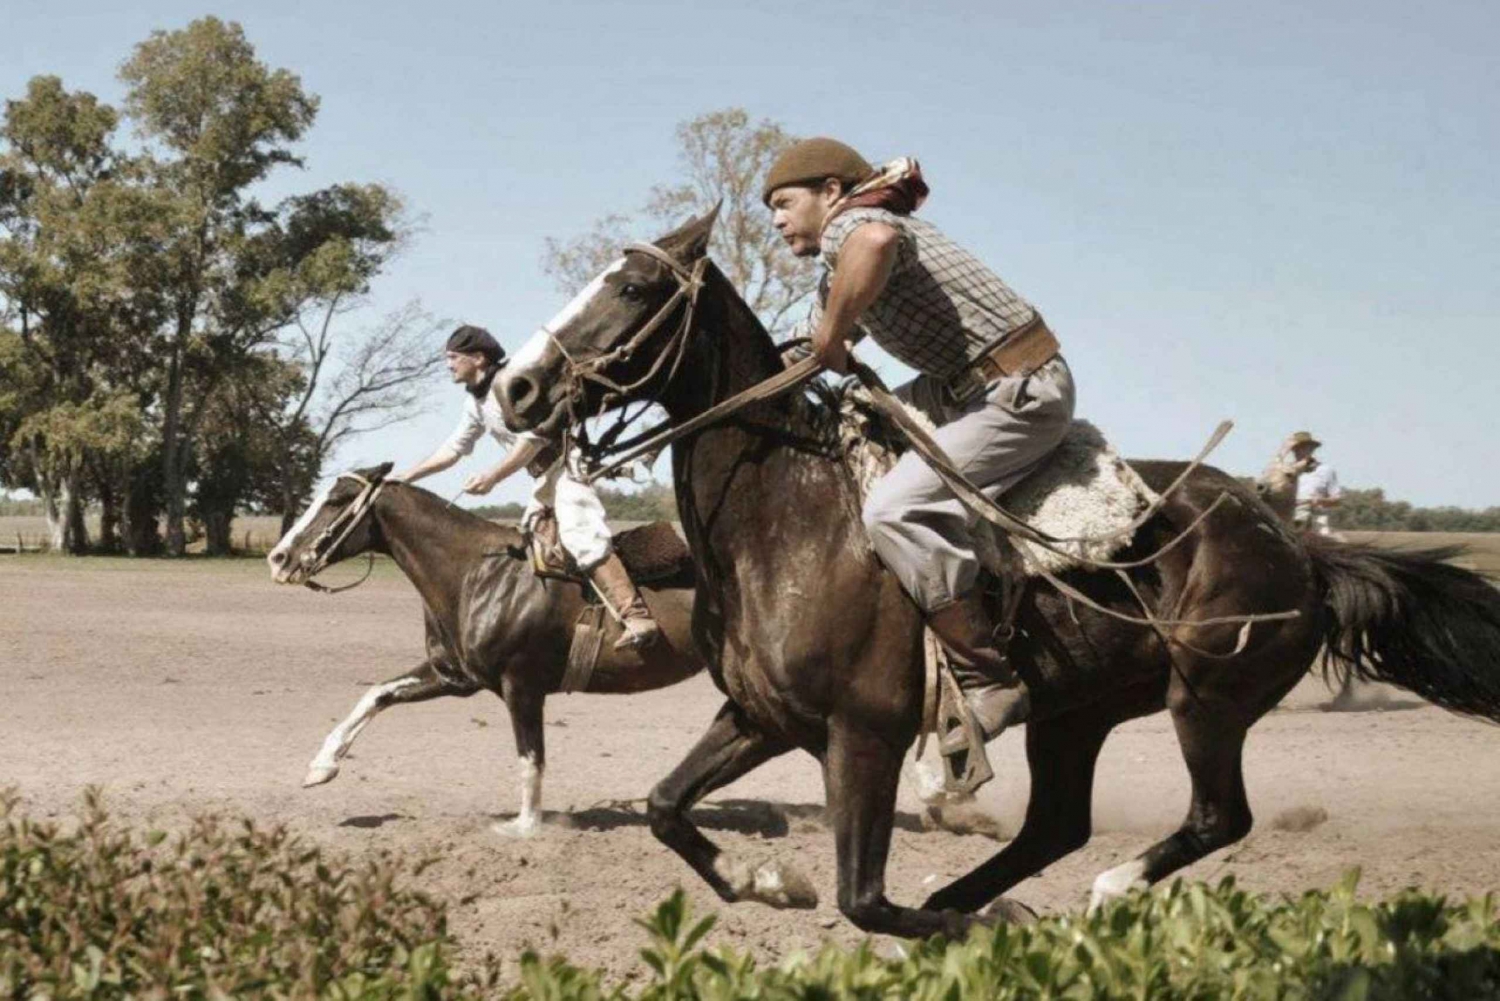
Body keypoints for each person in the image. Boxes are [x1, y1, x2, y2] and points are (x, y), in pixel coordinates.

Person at [764, 137, 1075, 750]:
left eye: (784, 203)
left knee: (894, 508)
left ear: (830, 192)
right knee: (849, 424)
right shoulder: (840, 264)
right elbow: (805, 343)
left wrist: (832, 335)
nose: (776, 220)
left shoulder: (856, 223)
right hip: (960, 387)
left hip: (1020, 389)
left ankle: (989, 678)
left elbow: (874, 245)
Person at [396, 324, 660, 649]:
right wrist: (406, 477)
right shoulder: (474, 404)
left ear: (478, 358)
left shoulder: (514, 384)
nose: (448, 365)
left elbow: (533, 441)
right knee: (532, 545)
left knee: (580, 534)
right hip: (544, 479)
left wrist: (493, 476)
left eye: (453, 357)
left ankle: (636, 616)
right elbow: (452, 450)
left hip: (567, 468)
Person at [1289, 432, 1341, 536]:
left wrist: (1321, 500)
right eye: (1297, 448)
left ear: (1312, 449)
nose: (1300, 451)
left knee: (1324, 538)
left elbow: (1337, 500)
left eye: (1304, 447)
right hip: (1288, 517)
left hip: (1316, 518)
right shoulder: (1285, 470)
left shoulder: (1325, 470)